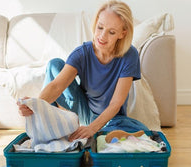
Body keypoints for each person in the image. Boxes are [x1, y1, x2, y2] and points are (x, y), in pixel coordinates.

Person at [17, 0, 148, 142]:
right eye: (100, 27)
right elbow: (56, 86)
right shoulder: (81, 54)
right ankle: (62, 126)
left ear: (122, 34)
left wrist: (92, 128)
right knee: (55, 65)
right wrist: (35, 106)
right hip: (86, 111)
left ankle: (97, 133)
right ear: (96, 23)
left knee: (141, 131)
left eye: (111, 32)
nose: (102, 37)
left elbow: (116, 103)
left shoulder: (129, 55)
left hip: (113, 117)